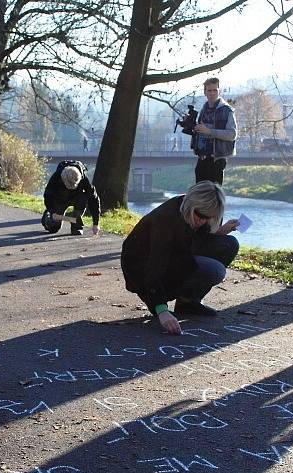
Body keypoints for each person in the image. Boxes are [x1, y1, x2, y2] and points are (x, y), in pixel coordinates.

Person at [121, 181, 240, 335]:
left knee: (229, 244)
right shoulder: (165, 221)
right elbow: (154, 266)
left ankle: (188, 301)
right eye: (201, 216)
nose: (203, 221)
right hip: (141, 268)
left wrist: (219, 232)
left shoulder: (194, 211)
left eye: (209, 217)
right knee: (215, 270)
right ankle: (173, 297)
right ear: (191, 205)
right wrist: (161, 310)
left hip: (176, 255)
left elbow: (194, 239)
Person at [193, 77, 237, 184]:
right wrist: (193, 127)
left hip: (217, 159)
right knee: (199, 194)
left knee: (213, 195)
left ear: (219, 91)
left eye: (215, 90)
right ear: (205, 92)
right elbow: (201, 130)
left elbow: (232, 134)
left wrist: (210, 131)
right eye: (209, 90)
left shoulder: (227, 110)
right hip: (202, 158)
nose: (212, 93)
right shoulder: (204, 109)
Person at [41, 160, 100, 236]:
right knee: (54, 228)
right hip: (60, 199)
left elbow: (94, 199)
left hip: (76, 198)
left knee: (82, 197)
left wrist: (96, 224)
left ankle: (76, 225)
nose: (70, 188)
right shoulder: (56, 176)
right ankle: (47, 217)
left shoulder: (84, 179)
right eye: (68, 185)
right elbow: (48, 195)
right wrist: (52, 211)